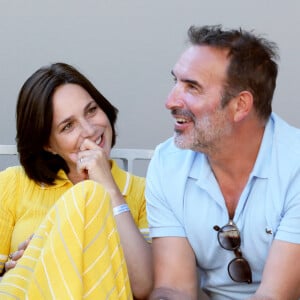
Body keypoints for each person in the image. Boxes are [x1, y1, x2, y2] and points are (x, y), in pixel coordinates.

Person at [146, 25, 300, 299]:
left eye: (192, 87)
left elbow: (276, 296)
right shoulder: (167, 162)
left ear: (240, 105)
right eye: (175, 82)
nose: (170, 101)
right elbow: (174, 287)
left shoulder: (295, 165)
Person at [0, 62, 152, 299]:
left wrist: (109, 189)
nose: (90, 130)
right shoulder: (13, 184)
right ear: (47, 144)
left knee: (88, 196)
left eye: (91, 110)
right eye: (68, 126)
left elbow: (145, 287)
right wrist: (17, 266)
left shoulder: (144, 193)